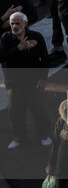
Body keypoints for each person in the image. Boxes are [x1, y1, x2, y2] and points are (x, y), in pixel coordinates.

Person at [0, 12, 51, 148]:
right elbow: (2, 57)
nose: (14, 26)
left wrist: (43, 78)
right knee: (15, 112)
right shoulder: (6, 38)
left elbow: (44, 60)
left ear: (25, 23)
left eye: (18, 23)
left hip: (33, 81)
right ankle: (19, 138)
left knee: (38, 109)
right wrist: (18, 48)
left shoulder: (36, 37)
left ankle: (44, 135)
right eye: (12, 24)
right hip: (13, 82)